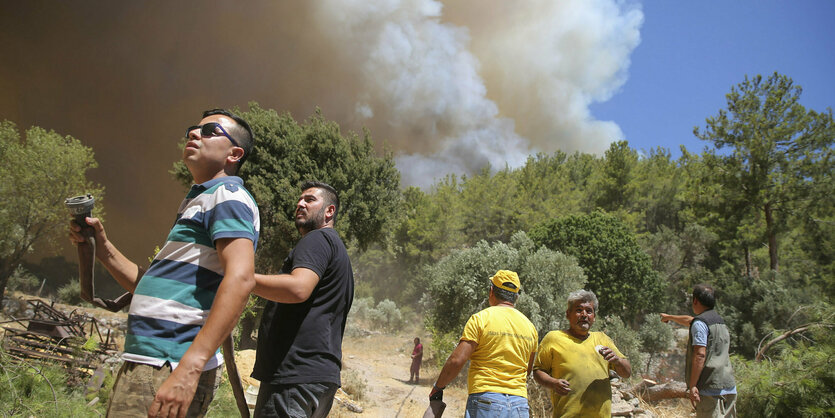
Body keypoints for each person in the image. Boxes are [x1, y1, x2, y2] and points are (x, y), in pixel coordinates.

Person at [69, 109, 259, 418]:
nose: (194, 134)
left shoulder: (228, 196)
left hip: (169, 364)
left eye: (209, 130)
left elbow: (241, 280)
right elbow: (152, 286)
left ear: (234, 153)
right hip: (151, 362)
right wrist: (101, 247)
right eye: (191, 130)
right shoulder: (198, 201)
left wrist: (189, 368)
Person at [251, 181, 354, 418]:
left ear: (330, 211)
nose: (300, 203)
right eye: (300, 199)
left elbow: (298, 288)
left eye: (309, 200)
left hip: (294, 377)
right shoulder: (337, 251)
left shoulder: (317, 239)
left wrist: (241, 280)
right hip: (318, 379)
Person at [429, 270, 538, 417]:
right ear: (516, 297)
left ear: (491, 291)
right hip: (519, 404)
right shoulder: (530, 327)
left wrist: (438, 387)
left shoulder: (480, 319)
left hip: (486, 401)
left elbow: (457, 360)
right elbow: (527, 369)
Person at [533, 290, 631, 417]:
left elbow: (627, 373)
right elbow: (538, 371)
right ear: (568, 314)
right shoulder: (554, 338)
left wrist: (617, 361)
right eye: (579, 310)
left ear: (594, 317)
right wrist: (553, 383)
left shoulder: (602, 339)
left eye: (589, 311)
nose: (584, 315)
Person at [660, 284, 737, 417]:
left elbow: (700, 355)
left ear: (695, 300)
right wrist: (670, 317)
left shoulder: (700, 324)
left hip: (710, 389)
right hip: (729, 386)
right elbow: (691, 320)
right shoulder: (719, 322)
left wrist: (693, 385)